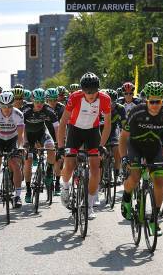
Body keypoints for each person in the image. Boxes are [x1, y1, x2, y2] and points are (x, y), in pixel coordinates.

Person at [119, 81, 163, 237]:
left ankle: (154, 218)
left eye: (159, 101)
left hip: (154, 147)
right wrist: (124, 157)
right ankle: (127, 196)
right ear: (146, 100)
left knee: (159, 180)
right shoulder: (136, 112)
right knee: (135, 176)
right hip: (135, 146)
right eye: (152, 102)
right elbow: (123, 137)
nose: (155, 105)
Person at [57, 72, 111, 219]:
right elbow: (63, 123)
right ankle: (66, 187)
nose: (91, 95)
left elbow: (107, 125)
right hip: (75, 131)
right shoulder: (75, 97)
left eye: (94, 92)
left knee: (95, 169)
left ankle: (89, 205)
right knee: (69, 165)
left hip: (92, 132)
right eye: (88, 92)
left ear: (98, 89)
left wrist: (102, 145)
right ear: (82, 91)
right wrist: (61, 146)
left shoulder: (105, 99)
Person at [0, 91, 25, 208]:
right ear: (0, 105)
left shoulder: (18, 114)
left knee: (15, 165)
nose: (7, 109)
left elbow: (20, 136)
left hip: (13, 138)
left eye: (9, 106)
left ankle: (18, 196)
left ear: (13, 105)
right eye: (4, 106)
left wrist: (20, 147)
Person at [21, 88, 59, 204]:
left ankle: (48, 171)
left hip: (42, 132)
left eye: (42, 101)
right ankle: (28, 190)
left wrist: (58, 143)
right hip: (28, 134)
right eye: (37, 101)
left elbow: (57, 127)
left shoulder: (48, 109)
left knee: (51, 146)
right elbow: (21, 128)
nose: (39, 104)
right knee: (29, 160)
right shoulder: (26, 109)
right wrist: (25, 142)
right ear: (32, 100)